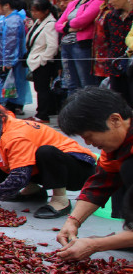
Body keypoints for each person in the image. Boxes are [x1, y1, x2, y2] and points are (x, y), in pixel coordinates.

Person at [0, 102, 96, 217]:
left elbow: (18, 178)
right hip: (50, 169)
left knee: (46, 151)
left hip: (78, 170)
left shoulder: (15, 136)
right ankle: (33, 190)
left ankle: (61, 200)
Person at [56, 87, 133, 260]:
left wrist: (95, 245)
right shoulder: (116, 146)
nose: (88, 143)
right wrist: (73, 221)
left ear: (115, 120)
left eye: (90, 135)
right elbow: (101, 183)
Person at [55, 0, 102, 94]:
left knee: (86, 82)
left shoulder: (97, 1)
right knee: (71, 82)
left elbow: (82, 21)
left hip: (82, 45)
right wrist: (68, 28)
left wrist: (68, 25)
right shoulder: (74, 3)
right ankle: (72, 111)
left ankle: (87, 111)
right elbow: (58, 24)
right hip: (66, 45)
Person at [0, 0, 31, 115]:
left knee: (8, 86)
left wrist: (8, 61)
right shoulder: (6, 19)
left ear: (6, 6)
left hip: (7, 60)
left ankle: (8, 110)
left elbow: (11, 42)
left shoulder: (13, 20)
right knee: (3, 85)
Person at [25, 0, 60, 123]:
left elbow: (53, 46)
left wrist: (43, 60)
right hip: (36, 59)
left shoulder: (50, 24)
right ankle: (41, 112)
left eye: (36, 11)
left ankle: (42, 114)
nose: (34, 13)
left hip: (42, 61)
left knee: (42, 89)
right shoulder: (39, 22)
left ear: (46, 11)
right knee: (40, 88)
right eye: (32, 11)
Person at [101, 0, 133, 104]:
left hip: (131, 63)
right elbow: (108, 38)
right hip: (115, 62)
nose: (109, 2)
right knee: (118, 100)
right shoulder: (110, 16)